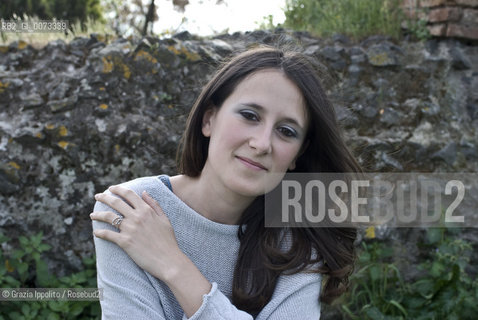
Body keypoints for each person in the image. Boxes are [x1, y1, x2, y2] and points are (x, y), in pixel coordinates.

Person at [90, 46, 362, 319]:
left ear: (298, 155)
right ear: (209, 119)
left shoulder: (298, 240)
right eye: (250, 116)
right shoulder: (130, 212)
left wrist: (174, 265)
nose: (262, 144)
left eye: (286, 131)